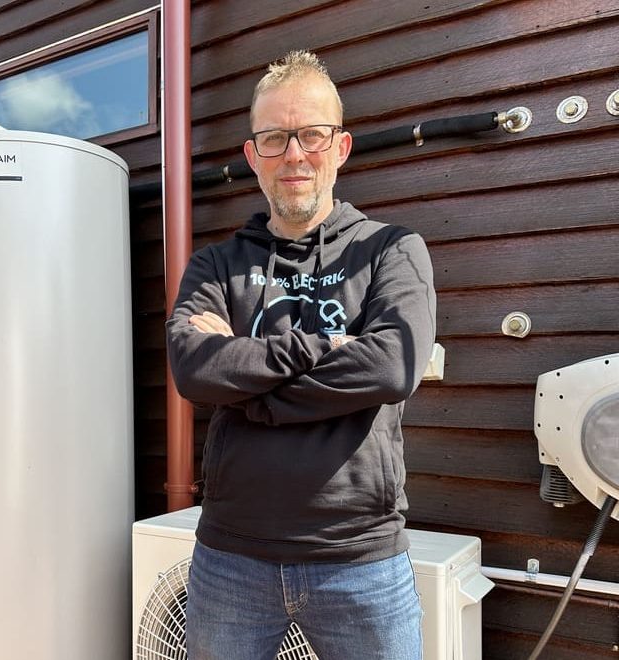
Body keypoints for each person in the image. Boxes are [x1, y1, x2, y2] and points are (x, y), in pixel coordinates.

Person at [166, 50, 436, 660]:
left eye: (311, 135)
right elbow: (192, 369)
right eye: (274, 138)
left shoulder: (391, 251)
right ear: (252, 155)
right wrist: (327, 347)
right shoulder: (216, 264)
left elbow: (393, 364)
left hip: (359, 559)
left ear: (339, 148)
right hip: (230, 558)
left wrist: (249, 384)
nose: (293, 155)